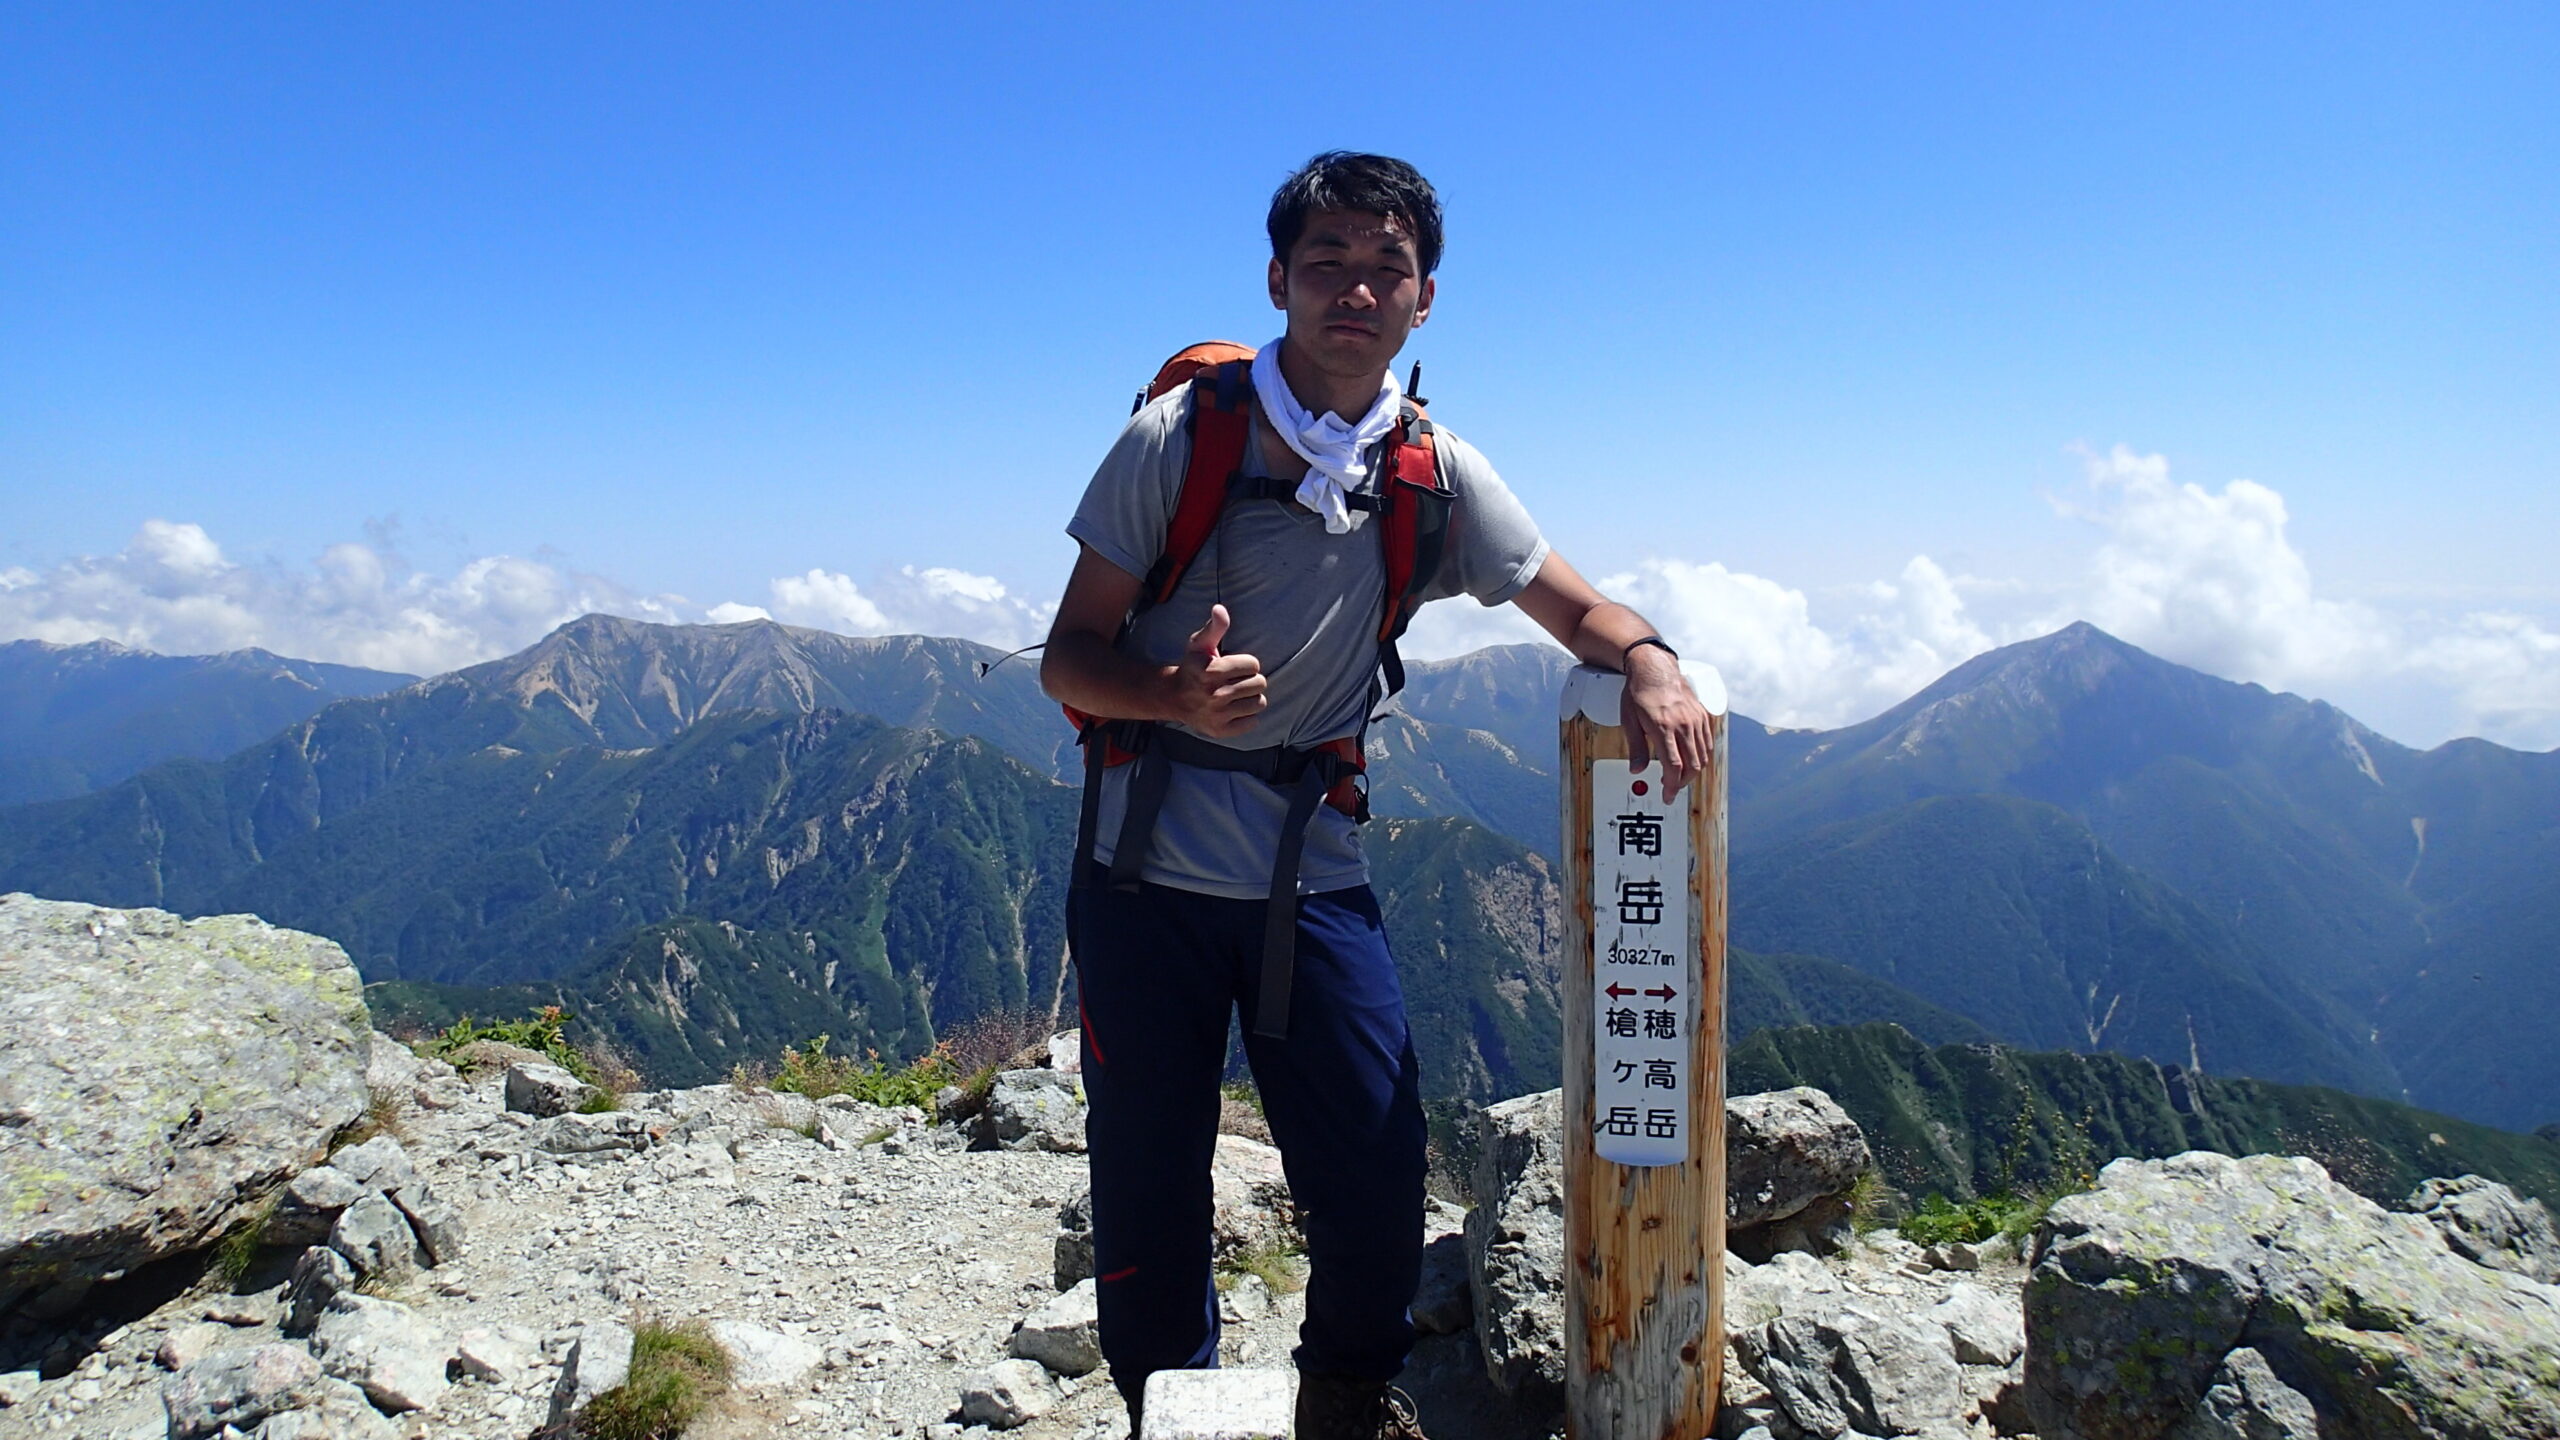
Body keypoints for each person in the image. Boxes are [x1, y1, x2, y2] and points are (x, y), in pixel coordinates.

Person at [1040, 150, 1713, 1440]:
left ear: (1425, 297)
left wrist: (1648, 659)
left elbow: (1575, 605)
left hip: (1312, 870)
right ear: (1279, 280)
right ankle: (1169, 1404)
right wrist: (1172, 695)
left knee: (1376, 1168)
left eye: (1385, 267)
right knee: (1147, 1174)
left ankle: (1345, 1397)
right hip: (1143, 874)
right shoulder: (1177, 438)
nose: (1356, 288)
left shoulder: (1429, 468)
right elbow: (1067, 658)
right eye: (1329, 262)